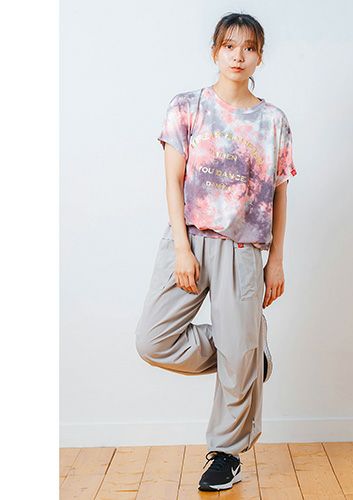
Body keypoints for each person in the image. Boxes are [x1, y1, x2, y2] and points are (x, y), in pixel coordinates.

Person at [134, 12, 297, 492]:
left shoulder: (273, 121)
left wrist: (276, 260)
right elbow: (173, 181)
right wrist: (182, 249)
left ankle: (225, 452)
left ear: (260, 56)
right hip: (189, 240)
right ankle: (248, 356)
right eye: (229, 46)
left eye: (249, 47)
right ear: (214, 51)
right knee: (153, 340)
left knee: (238, 350)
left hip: (244, 250)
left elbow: (280, 194)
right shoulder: (188, 107)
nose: (238, 56)